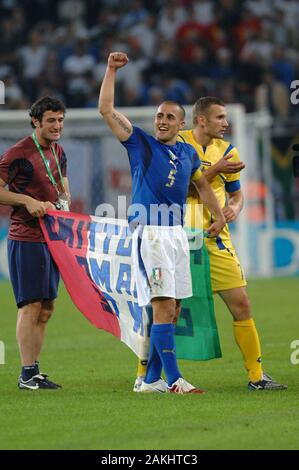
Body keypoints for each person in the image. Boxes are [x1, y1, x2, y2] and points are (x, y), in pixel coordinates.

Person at [99, 52, 226, 394]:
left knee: (174, 307)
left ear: (181, 124)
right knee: (163, 305)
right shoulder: (141, 145)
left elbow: (201, 184)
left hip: (177, 234)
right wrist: (111, 70)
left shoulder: (188, 154)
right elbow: (107, 111)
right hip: (150, 234)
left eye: (169, 117)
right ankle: (174, 380)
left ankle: (150, 380)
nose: (162, 121)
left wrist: (219, 217)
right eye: (159, 116)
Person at [179, 96, 287, 390]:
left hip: (216, 240)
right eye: (220, 118)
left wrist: (234, 209)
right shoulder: (177, 143)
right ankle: (148, 376)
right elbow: (181, 189)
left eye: (226, 117)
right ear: (201, 120)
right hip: (176, 241)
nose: (226, 123)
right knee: (164, 310)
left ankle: (256, 377)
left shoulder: (227, 150)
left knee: (242, 304)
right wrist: (215, 170)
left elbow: (237, 194)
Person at [0, 95, 71, 390]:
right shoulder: (19, 153)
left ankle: (34, 371)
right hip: (26, 238)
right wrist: (26, 200)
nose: (57, 126)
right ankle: (27, 374)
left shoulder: (58, 151)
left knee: (46, 308)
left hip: (51, 238)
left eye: (60, 121)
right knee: (30, 306)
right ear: (35, 121)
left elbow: (62, 183)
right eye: (51, 121)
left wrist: (64, 202)